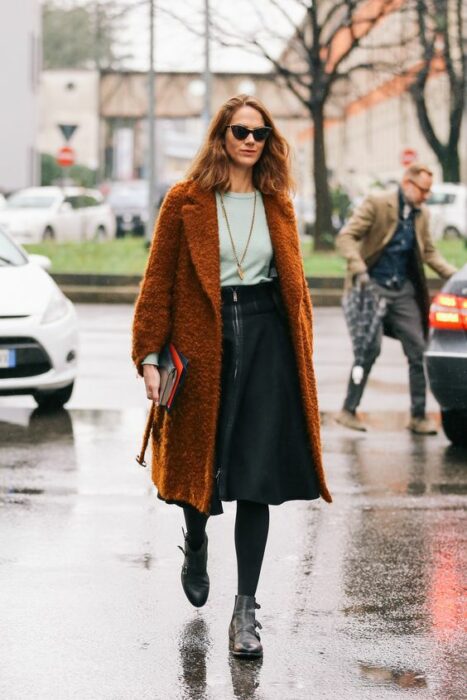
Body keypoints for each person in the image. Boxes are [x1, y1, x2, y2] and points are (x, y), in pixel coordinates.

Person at [131, 94, 332, 659]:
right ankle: (195, 542)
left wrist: (302, 356)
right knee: (201, 466)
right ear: (221, 135)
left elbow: (295, 289)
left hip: (267, 339)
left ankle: (246, 611)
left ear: (269, 142)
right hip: (203, 342)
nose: (250, 141)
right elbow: (157, 284)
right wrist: (150, 356)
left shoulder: (278, 203)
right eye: (240, 131)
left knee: (255, 477)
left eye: (260, 133)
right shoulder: (186, 201)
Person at [335, 163, 457, 434]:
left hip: (402, 291)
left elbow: (429, 253)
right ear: (407, 183)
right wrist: (359, 269)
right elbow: (346, 237)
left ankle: (418, 416)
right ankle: (348, 410)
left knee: (418, 349)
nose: (426, 196)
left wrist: (458, 277)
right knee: (369, 349)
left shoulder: (421, 213)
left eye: (428, 191)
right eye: (423, 190)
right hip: (372, 287)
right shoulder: (378, 203)